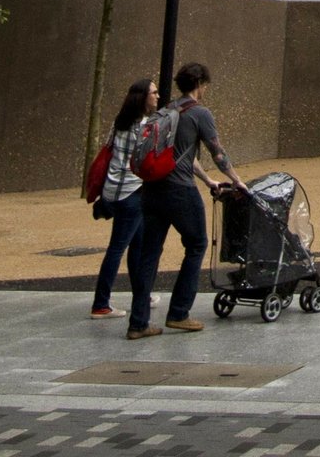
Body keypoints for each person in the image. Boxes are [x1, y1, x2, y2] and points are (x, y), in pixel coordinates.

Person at [125, 60, 243, 338]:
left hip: (152, 189)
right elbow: (217, 153)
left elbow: (181, 154)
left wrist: (206, 180)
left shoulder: (167, 111)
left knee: (149, 254)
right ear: (201, 85)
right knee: (197, 243)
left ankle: (138, 323)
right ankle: (179, 312)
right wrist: (237, 181)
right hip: (179, 191)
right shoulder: (200, 113)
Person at [87, 79, 156, 320]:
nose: (157, 97)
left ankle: (142, 294)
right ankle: (100, 303)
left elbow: (108, 150)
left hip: (112, 190)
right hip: (131, 192)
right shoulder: (145, 126)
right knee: (118, 247)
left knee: (137, 243)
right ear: (143, 98)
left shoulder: (120, 122)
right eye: (153, 93)